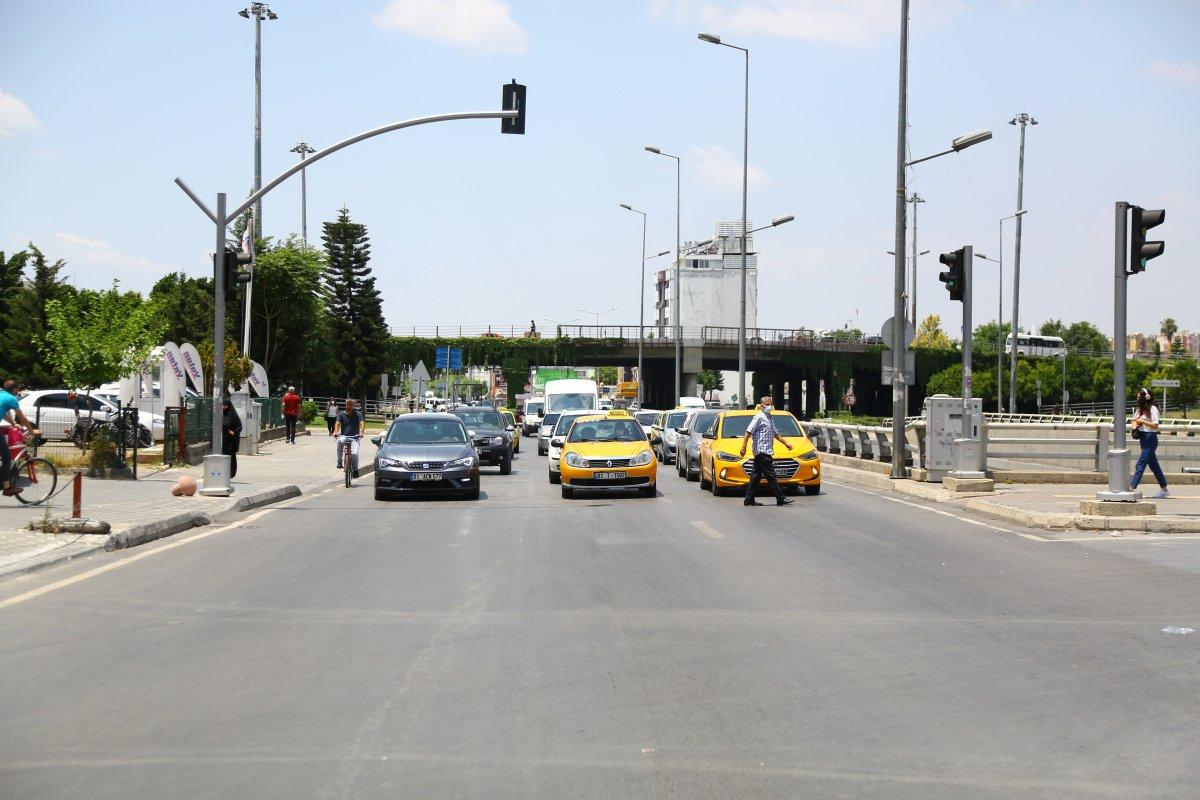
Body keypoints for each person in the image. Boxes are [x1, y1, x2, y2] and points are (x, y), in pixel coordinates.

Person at [738, 395, 797, 507]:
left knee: (756, 477)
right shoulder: (759, 417)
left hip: (766, 451)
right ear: (762, 406)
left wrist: (786, 443)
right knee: (771, 476)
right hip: (762, 451)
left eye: (771, 404)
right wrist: (743, 447)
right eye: (767, 404)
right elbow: (748, 432)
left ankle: (748, 499)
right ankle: (780, 498)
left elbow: (776, 434)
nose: (770, 406)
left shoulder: (769, 417)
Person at [0, 380, 39, 496]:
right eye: (17, 390)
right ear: (14, 389)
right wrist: (32, 432)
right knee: (7, 457)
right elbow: (23, 419)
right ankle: (7, 487)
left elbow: (4, 414)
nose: (18, 392)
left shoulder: (1, 395)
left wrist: (13, 424)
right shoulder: (12, 399)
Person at [1131, 387, 1168, 499]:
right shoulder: (1139, 409)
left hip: (1150, 439)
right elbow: (1134, 420)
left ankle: (1132, 487)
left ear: (1145, 398)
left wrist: (1142, 421)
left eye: (1139, 397)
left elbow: (1155, 425)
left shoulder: (1153, 409)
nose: (1138, 399)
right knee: (1154, 466)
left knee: (1140, 464)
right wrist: (1134, 429)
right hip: (1143, 438)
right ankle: (1164, 489)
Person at [334, 398, 364, 475]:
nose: (348, 406)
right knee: (339, 442)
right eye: (347, 404)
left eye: (350, 404)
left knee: (354, 453)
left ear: (354, 405)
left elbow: (361, 423)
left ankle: (356, 470)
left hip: (355, 437)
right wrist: (336, 432)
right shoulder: (341, 414)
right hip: (344, 436)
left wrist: (361, 432)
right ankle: (339, 462)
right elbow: (337, 423)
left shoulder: (358, 414)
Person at [222, 397, 243, 479]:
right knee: (224, 455)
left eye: (224, 405)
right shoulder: (222, 415)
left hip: (231, 440)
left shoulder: (233, 416)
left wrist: (234, 432)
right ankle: (225, 472)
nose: (222, 407)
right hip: (223, 439)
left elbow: (239, 426)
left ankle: (231, 472)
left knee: (231, 456)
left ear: (227, 406)